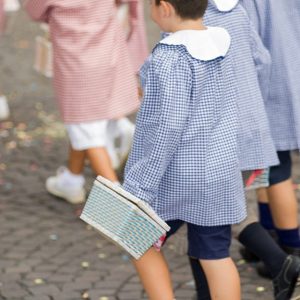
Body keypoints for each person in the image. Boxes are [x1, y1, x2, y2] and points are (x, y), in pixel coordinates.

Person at [122, 0, 247, 299]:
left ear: (164, 7)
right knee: (216, 254)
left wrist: (139, 188)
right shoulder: (222, 42)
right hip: (220, 170)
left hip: (177, 176)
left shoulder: (169, 57)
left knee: (134, 236)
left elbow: (164, 129)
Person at [24, 0, 140, 204]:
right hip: (107, 53)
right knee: (85, 123)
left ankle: (121, 204)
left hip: (76, 63)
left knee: (86, 129)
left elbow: (34, 11)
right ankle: (71, 179)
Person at [241, 0, 300, 277]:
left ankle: (290, 251)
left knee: (277, 171)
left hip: (271, 83)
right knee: (266, 165)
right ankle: (268, 236)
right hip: (291, 72)